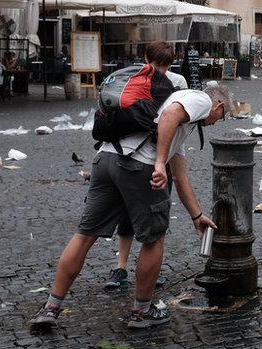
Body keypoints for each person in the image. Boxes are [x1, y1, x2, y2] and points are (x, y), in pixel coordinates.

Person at [28, 76, 231, 330]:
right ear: (219, 104)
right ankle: (142, 312)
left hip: (106, 160)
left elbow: (179, 177)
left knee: (84, 235)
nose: (214, 123)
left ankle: (51, 307)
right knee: (153, 238)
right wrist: (158, 163)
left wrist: (196, 215)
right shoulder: (200, 99)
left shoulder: (175, 128)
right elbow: (169, 116)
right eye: (219, 117)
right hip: (139, 166)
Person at [103, 42, 190, 289]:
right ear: (172, 61)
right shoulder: (178, 81)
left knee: (127, 215)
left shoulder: (131, 75)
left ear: (144, 57)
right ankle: (150, 269)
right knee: (154, 218)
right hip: (160, 157)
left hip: (124, 153)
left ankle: (121, 267)